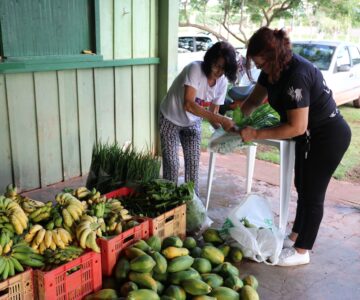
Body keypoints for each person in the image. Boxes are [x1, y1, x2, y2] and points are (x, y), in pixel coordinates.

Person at [236, 27, 351, 266]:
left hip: (327, 135)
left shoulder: (297, 75)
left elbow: (297, 126)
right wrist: (237, 120)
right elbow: (254, 101)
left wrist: (256, 133)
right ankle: (295, 236)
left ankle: (302, 250)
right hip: (308, 137)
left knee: (313, 194)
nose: (259, 69)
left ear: (273, 57)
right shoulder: (271, 71)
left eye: (261, 64)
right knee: (302, 186)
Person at [159, 41, 238, 195]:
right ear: (209, 60)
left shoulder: (222, 82)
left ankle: (192, 205)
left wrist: (229, 133)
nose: (218, 71)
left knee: (194, 165)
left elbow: (213, 114)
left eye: (223, 68)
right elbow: (188, 104)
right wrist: (223, 120)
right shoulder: (194, 69)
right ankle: (168, 206)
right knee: (173, 165)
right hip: (170, 118)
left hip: (193, 122)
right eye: (216, 65)